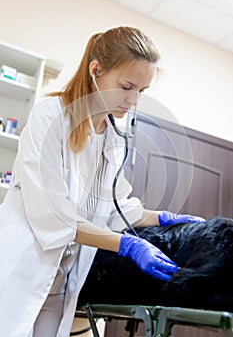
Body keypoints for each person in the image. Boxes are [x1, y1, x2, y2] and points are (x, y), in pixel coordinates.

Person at [0, 26, 205, 337]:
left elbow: (117, 208)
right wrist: (126, 244)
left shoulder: (113, 139)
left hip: (60, 282)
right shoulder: (50, 117)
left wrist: (162, 219)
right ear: (96, 71)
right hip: (21, 270)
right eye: (127, 86)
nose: (133, 101)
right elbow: (52, 212)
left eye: (142, 91)